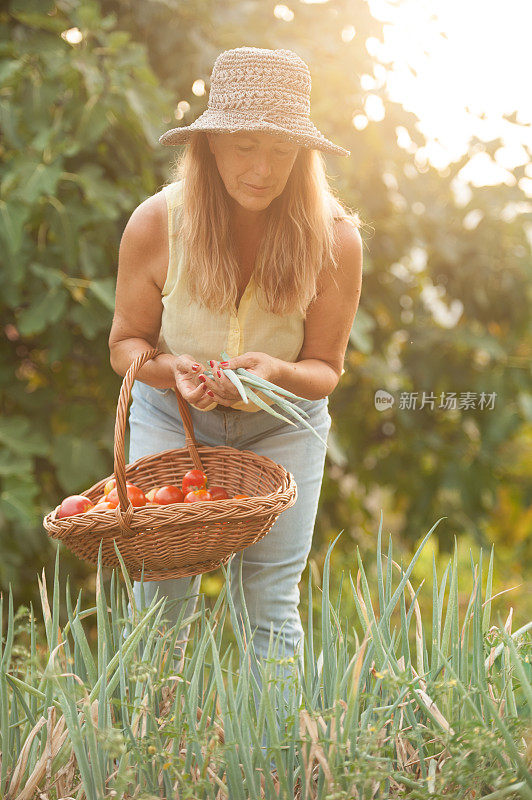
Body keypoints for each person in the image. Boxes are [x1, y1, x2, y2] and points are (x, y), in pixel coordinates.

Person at [109, 46, 363, 759]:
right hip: (173, 418)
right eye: (243, 146)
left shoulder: (335, 237)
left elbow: (326, 369)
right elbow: (126, 345)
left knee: (270, 604)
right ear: (212, 143)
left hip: (283, 426)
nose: (260, 168)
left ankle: (274, 762)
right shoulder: (158, 223)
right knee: (162, 598)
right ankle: (142, 759)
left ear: (302, 156)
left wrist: (278, 372)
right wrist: (171, 372)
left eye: (280, 151)